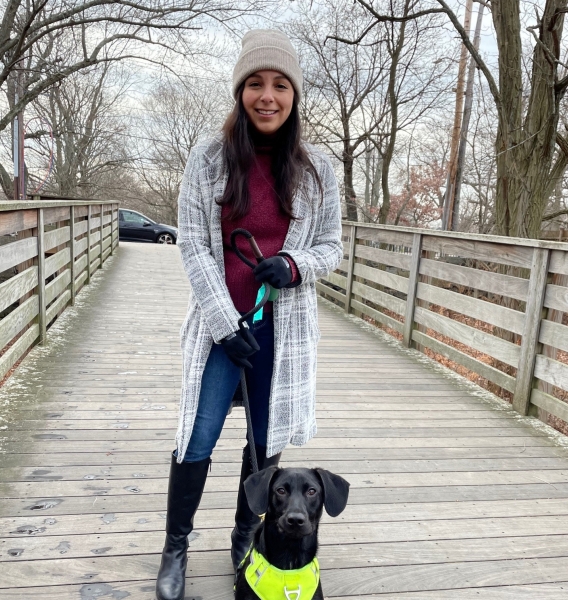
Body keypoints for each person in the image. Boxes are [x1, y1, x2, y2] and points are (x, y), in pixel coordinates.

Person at [155, 29, 343, 600]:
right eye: (255, 84)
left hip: (282, 332)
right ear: (240, 92)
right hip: (220, 329)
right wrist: (223, 323)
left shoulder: (317, 171)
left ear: (294, 95)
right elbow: (192, 243)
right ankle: (176, 546)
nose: (268, 95)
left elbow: (332, 246)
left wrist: (293, 264)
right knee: (197, 437)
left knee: (266, 441)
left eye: (280, 85)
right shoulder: (208, 159)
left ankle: (246, 531)